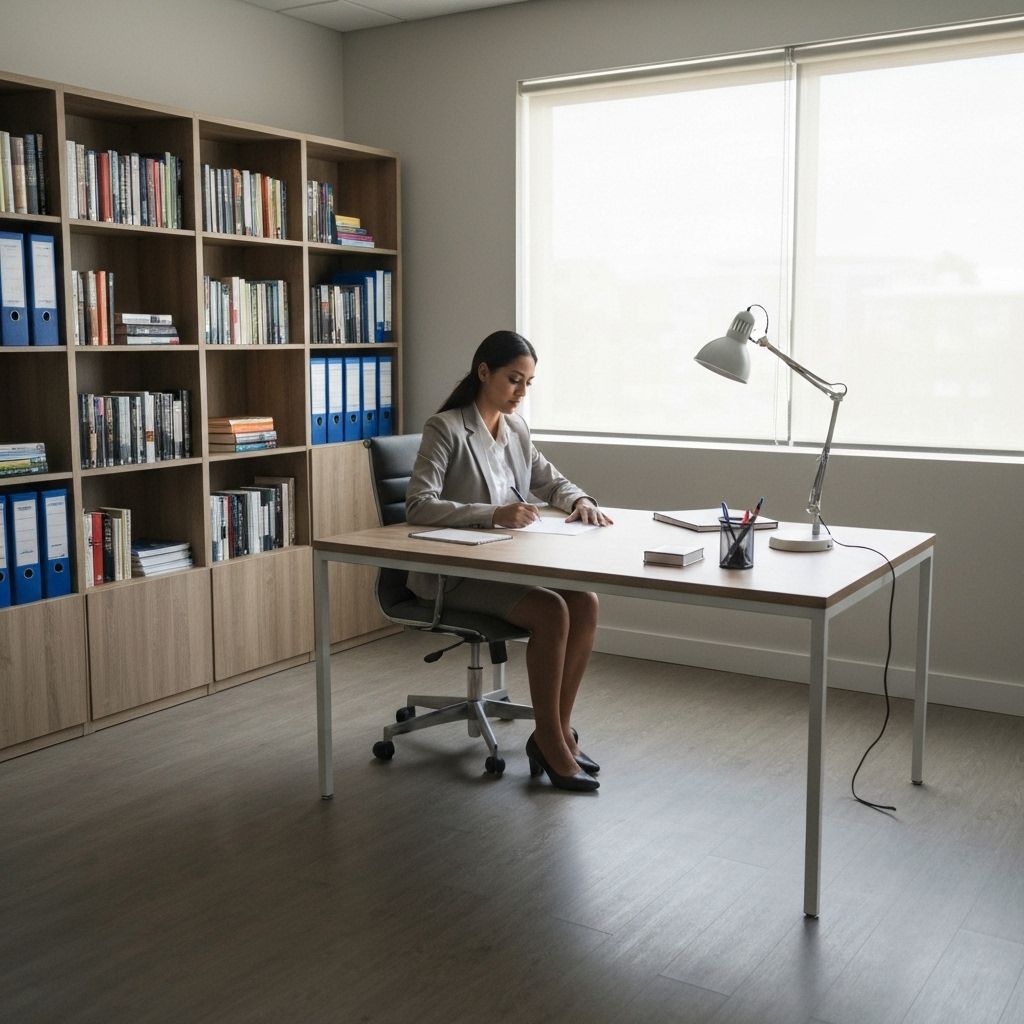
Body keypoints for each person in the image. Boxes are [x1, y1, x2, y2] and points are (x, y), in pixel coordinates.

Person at [406, 330, 613, 793]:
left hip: (503, 564)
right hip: (453, 573)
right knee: (550, 609)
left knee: (585, 602)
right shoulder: (446, 428)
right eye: (513, 380)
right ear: (484, 372)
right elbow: (418, 505)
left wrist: (580, 499)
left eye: (528, 383)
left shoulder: (515, 428)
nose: (521, 392)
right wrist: (494, 514)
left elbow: (550, 479)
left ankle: (554, 733)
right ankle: (553, 744)